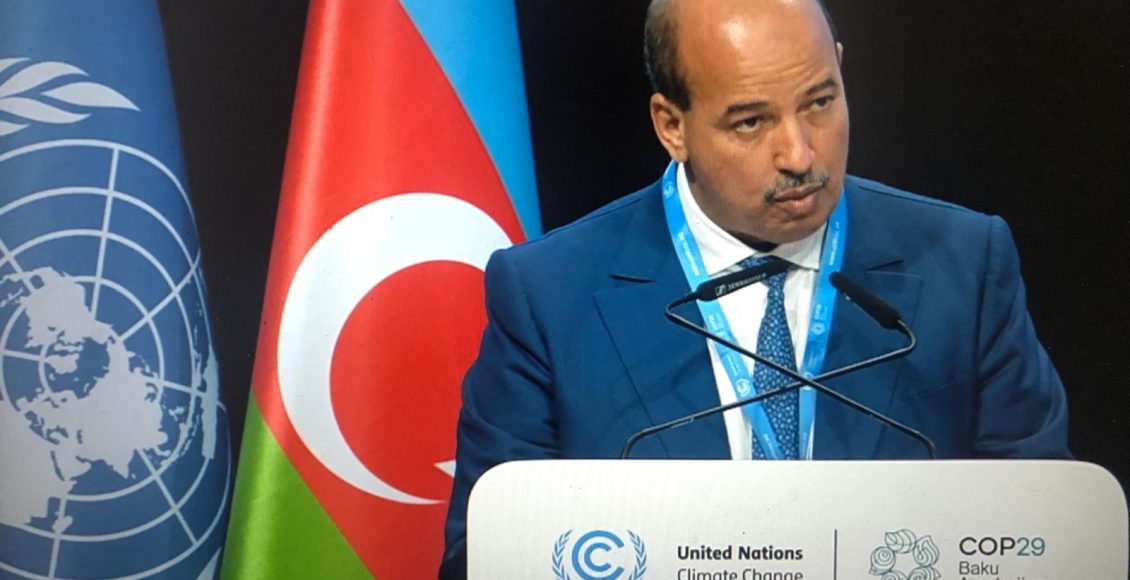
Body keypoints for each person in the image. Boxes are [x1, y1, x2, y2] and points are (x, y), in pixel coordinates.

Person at [440, 0, 1070, 576]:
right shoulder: (549, 296)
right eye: (750, 122)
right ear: (671, 125)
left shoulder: (966, 263)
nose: (799, 155)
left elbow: (1047, 531)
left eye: (819, 102)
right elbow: (485, 556)